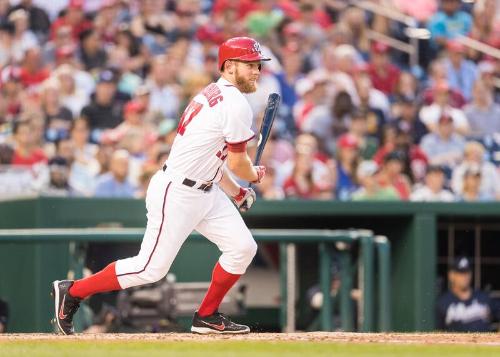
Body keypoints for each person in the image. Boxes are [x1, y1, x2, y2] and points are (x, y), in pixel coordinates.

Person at [51, 36, 270, 335]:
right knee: (150, 268)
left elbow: (213, 160)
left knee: (242, 248)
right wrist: (253, 174)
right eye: (249, 64)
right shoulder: (234, 103)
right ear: (229, 65)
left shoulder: (215, 93)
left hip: (206, 189)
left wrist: (237, 192)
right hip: (177, 191)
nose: (256, 70)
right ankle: (74, 291)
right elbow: (236, 163)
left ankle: (206, 316)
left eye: (258, 64)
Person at [436, 257, 499, 332]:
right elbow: (438, 331)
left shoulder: (483, 297)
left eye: (466, 273)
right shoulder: (443, 302)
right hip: (456, 343)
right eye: (460, 273)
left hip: (482, 342)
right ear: (451, 275)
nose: (464, 277)